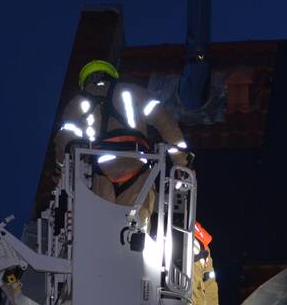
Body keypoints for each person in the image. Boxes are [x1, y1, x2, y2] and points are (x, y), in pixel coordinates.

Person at [54, 60, 189, 227]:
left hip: (101, 170)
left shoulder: (79, 102)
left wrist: (61, 169)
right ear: (112, 75)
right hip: (137, 164)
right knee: (135, 228)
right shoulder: (133, 92)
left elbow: (65, 141)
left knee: (103, 228)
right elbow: (166, 123)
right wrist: (181, 162)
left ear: (85, 82)